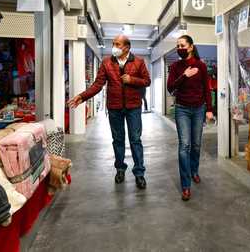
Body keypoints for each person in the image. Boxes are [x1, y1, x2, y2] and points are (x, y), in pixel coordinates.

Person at [68, 35, 151, 189]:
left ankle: (139, 173)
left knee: (135, 140)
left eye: (117, 44)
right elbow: (97, 84)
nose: (114, 46)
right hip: (114, 108)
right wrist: (82, 96)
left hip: (133, 107)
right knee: (118, 140)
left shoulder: (138, 62)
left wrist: (132, 80)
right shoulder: (107, 62)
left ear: (126, 47)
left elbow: (147, 81)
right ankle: (120, 169)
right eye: (113, 44)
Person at [167, 35, 214, 201]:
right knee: (184, 145)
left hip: (199, 109)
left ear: (191, 47)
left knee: (196, 144)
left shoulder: (201, 66)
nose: (180, 48)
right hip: (182, 110)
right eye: (177, 45)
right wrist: (184, 75)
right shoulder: (175, 67)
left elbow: (207, 90)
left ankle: (194, 170)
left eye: (182, 45)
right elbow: (170, 88)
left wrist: (209, 109)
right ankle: (185, 185)